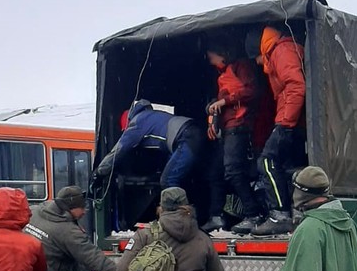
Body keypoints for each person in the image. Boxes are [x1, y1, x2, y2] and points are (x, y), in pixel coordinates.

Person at [92, 100, 225, 229]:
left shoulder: (137, 122)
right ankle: (215, 216)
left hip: (186, 137)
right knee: (203, 178)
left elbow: (118, 151)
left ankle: (180, 224)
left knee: (168, 180)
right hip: (197, 133)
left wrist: (99, 173)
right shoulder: (155, 117)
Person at [244, 26, 308, 236]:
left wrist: (284, 123)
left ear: (261, 49)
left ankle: (279, 215)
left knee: (267, 161)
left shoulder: (281, 51)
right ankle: (293, 212)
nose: (256, 62)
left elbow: (296, 86)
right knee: (284, 166)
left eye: (255, 57)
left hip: (290, 121)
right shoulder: (283, 49)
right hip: (294, 121)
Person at [205, 39, 262, 234]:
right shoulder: (222, 75)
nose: (212, 62)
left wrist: (225, 101)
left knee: (233, 171)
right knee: (215, 172)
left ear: (222, 53)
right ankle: (216, 217)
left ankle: (253, 214)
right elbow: (221, 101)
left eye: (212, 57)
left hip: (240, 125)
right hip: (227, 128)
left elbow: (251, 91)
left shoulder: (241, 66)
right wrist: (213, 112)